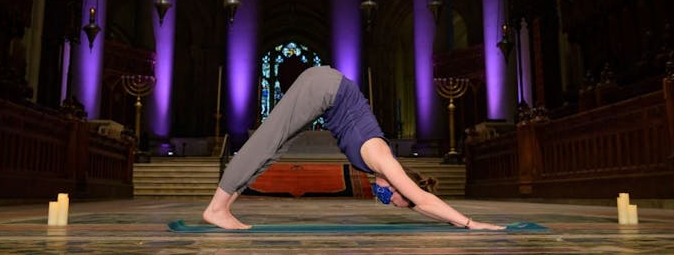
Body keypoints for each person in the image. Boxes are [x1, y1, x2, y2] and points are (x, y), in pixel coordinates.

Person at [203, 66, 505, 230]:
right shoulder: (385, 162)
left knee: (274, 148)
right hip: (325, 88)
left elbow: (416, 199)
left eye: (387, 202)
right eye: (391, 197)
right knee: (267, 140)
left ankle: (224, 207)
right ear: (399, 185)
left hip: (326, 87)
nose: (383, 197)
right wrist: (468, 222)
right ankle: (216, 208)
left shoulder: (380, 165)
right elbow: (423, 200)